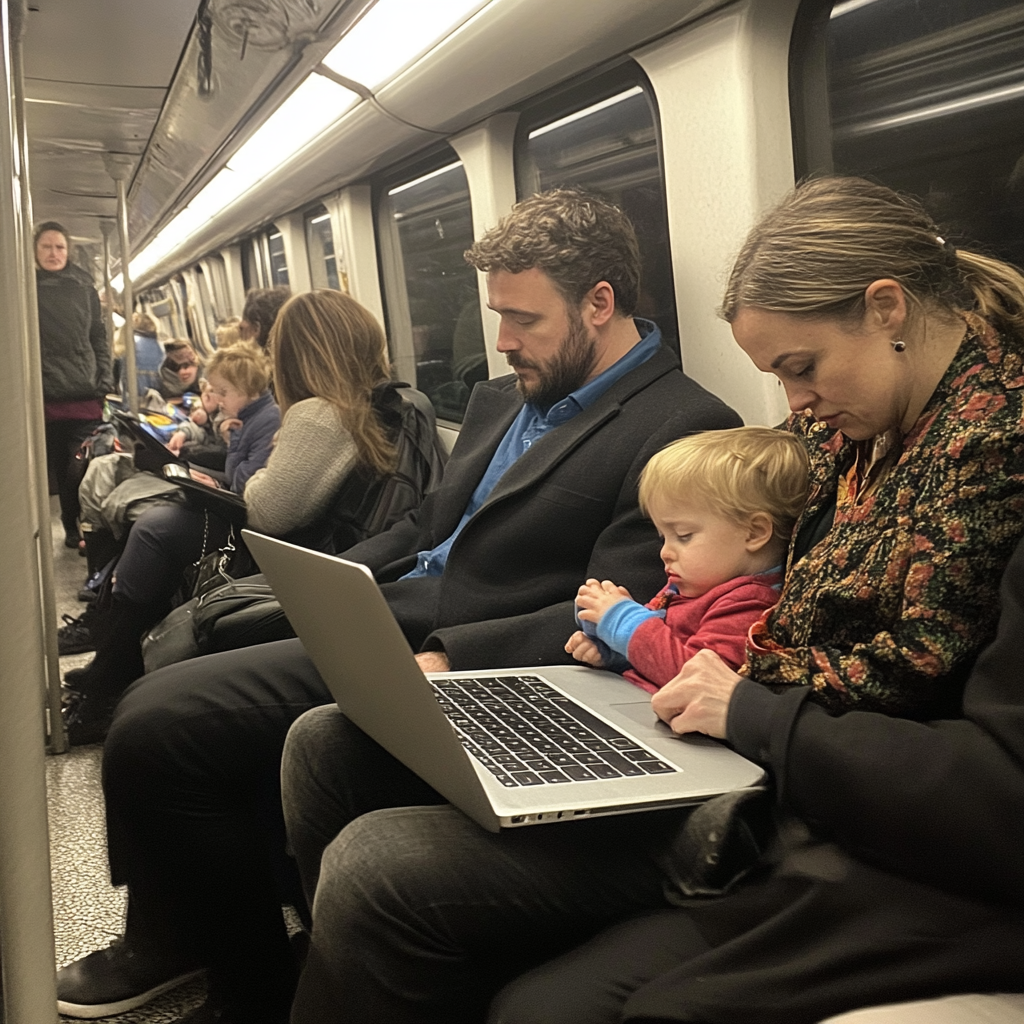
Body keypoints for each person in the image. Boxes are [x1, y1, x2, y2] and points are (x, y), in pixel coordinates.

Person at [278, 176, 1024, 1024]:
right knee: (331, 742)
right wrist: (656, 629)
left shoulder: (988, 451)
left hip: (783, 770)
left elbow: (909, 685)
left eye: (801, 369)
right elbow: (728, 564)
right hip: (717, 719)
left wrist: (734, 695)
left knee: (385, 871)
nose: (795, 402)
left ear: (887, 309)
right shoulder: (842, 430)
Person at [54, 188, 742, 1024]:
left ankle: (241, 984)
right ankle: (197, 939)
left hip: (463, 651)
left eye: (523, 318)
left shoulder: (683, 427)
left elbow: (620, 605)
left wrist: (454, 650)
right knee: (160, 697)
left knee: (162, 725)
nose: (503, 341)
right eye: (498, 316)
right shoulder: (502, 398)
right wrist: (323, 578)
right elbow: (425, 524)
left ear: (600, 303)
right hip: (386, 607)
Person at [62, 342, 279, 744]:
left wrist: (219, 459)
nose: (215, 400)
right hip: (237, 506)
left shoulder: (266, 420)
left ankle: (110, 674)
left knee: (152, 528)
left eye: (223, 394)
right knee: (142, 523)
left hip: (249, 525)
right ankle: (108, 655)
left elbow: (251, 486)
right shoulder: (248, 418)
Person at [567, 426, 808, 691]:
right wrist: (615, 650)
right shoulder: (694, 583)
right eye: (663, 537)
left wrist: (623, 621)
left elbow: (695, 680)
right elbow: (663, 650)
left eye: (683, 535)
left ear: (754, 532)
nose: (665, 552)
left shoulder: (750, 604)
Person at [34, 220, 114, 547]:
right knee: (60, 469)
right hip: (48, 395)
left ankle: (89, 523)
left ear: (68, 250)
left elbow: (98, 335)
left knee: (81, 466)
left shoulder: (84, 286)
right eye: (46, 247)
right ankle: (72, 526)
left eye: (59, 247)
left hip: (85, 392)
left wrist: (105, 377)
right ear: (34, 251)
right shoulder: (25, 287)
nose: (54, 253)